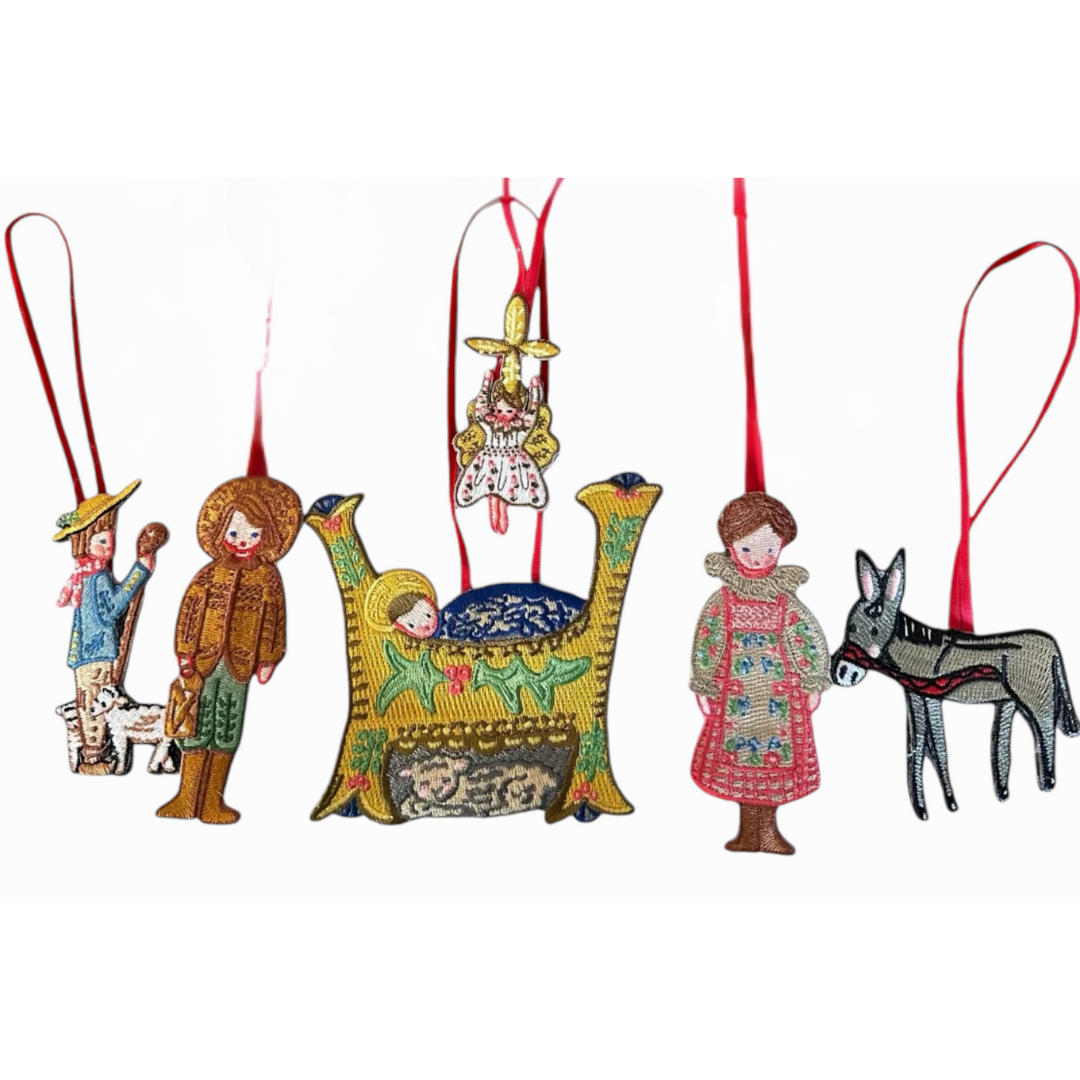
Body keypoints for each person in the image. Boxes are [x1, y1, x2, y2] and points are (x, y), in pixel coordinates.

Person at [689, 492, 830, 854]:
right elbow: (709, 639)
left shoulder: (784, 599)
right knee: (737, 762)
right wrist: (703, 683)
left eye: (770, 548)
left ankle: (766, 831)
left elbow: (805, 638)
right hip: (734, 699)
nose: (759, 557)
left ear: (781, 546)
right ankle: (748, 833)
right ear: (730, 547)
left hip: (779, 700)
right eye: (747, 548)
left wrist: (814, 680)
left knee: (775, 761)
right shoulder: (723, 600)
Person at [157, 476, 301, 824]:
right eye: (235, 532)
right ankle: (185, 796)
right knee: (192, 721)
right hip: (202, 661)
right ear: (221, 530)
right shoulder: (209, 574)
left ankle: (211, 802)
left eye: (253, 533)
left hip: (240, 661)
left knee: (227, 723)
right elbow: (190, 613)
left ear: (266, 535)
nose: (242, 541)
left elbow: (274, 618)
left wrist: (269, 657)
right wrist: (184, 652)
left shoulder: (267, 577)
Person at [54, 481, 158, 774]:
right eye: (101, 541)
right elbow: (113, 609)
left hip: (82, 654)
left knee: (87, 702)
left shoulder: (84, 575)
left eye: (110, 539)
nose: (108, 546)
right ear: (84, 542)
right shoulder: (97, 577)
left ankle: (90, 754)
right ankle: (95, 757)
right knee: (97, 705)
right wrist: (140, 570)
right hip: (98, 652)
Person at [453, 369, 556, 534]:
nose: (503, 415)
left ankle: (501, 520)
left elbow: (533, 412)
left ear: (517, 412)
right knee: (491, 491)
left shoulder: (521, 428)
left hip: (513, 464)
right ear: (493, 409)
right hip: (488, 463)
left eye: (509, 411)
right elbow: (479, 408)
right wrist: (486, 383)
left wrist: (535, 391)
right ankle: (496, 517)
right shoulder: (488, 425)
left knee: (506, 490)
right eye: (499, 411)